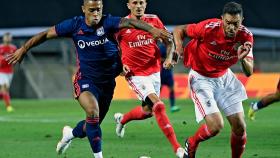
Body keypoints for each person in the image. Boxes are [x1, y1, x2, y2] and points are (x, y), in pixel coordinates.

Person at [6, 0, 173, 157]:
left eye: (99, 9)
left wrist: (151, 30)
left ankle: (69, 134)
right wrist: (23, 49)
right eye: (92, 10)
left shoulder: (108, 22)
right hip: (86, 79)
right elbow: (45, 34)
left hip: (108, 83)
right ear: (83, 9)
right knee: (93, 112)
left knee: (91, 126)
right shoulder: (74, 25)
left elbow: (131, 22)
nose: (96, 14)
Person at [173, 2, 254, 158]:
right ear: (222, 19)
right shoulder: (208, 28)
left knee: (240, 127)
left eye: (235, 23)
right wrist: (179, 47)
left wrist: (242, 60)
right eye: (228, 23)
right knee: (216, 126)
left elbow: (249, 72)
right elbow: (179, 30)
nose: (231, 27)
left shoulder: (246, 36)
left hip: (224, 77)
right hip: (201, 78)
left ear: (242, 20)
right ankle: (192, 142)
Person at [113, 0, 184, 157]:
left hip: (154, 71)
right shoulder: (122, 25)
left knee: (148, 111)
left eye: (141, 2)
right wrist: (118, 65)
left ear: (145, 4)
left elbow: (169, 40)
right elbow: (112, 48)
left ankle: (122, 120)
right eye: (135, 2)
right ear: (128, 5)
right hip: (135, 74)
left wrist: (169, 57)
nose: (138, 6)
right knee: (158, 105)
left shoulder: (154, 19)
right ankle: (178, 149)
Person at [158, 42, 180, 112]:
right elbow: (158, 58)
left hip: (169, 72)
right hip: (162, 71)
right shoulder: (161, 48)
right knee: (158, 90)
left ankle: (172, 106)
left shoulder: (172, 47)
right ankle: (155, 106)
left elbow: (175, 57)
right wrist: (167, 60)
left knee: (171, 89)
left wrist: (174, 59)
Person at [0, 32, 17, 112]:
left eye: (9, 37)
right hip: (1, 71)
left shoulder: (13, 48)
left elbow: (16, 59)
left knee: (4, 90)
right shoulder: (0, 48)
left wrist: (14, 61)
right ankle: (8, 106)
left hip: (10, 71)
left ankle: (6, 102)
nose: (7, 38)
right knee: (5, 87)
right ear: (3, 38)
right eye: (6, 37)